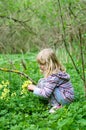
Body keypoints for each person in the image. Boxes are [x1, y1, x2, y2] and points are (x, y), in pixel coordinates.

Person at [28, 48, 74, 113]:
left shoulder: (54, 76)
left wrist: (34, 88)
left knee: (49, 87)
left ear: (50, 64)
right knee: (42, 81)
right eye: (39, 64)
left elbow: (46, 93)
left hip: (65, 99)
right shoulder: (55, 72)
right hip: (65, 96)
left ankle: (57, 106)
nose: (40, 66)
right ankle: (54, 103)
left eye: (42, 64)